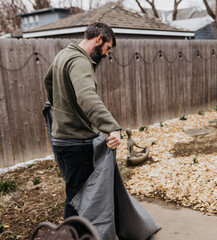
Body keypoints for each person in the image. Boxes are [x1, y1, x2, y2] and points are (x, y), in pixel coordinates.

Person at [44, 22, 122, 219]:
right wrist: (112, 128)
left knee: (75, 191)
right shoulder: (80, 61)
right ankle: (72, 233)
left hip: (60, 139)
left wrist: (56, 103)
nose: (106, 54)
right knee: (80, 198)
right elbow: (87, 96)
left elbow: (48, 80)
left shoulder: (63, 55)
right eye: (107, 48)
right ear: (99, 39)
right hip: (76, 142)